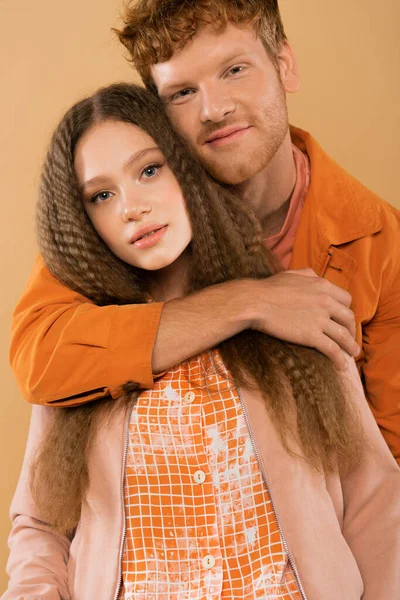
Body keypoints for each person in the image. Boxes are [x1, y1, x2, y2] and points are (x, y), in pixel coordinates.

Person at [3, 82, 400, 600]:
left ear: (188, 168)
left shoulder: (295, 309)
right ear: (84, 222)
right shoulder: (81, 348)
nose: (132, 208)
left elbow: (377, 504)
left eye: (149, 170)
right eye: (102, 195)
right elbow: (40, 528)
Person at [10, 0, 400, 463]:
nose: (214, 109)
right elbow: (40, 355)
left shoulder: (381, 241)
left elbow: (390, 459)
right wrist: (249, 302)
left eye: (235, 69)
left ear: (285, 67)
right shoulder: (134, 220)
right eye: (181, 93)